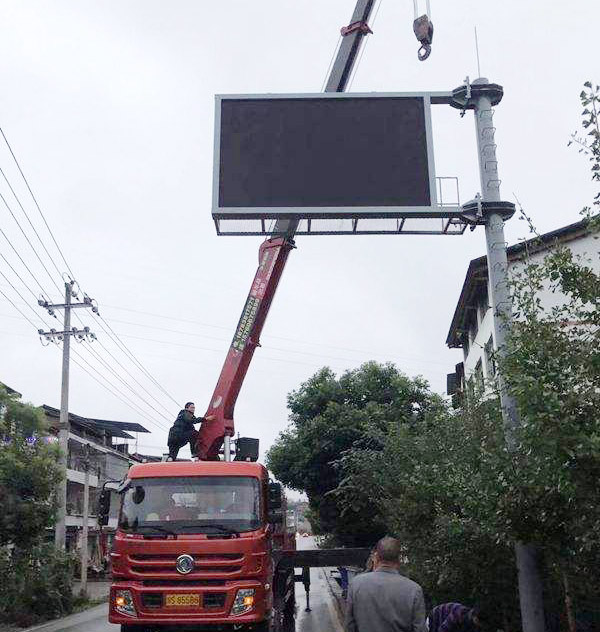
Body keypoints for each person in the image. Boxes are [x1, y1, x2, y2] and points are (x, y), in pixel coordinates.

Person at [345, 536, 427, 632]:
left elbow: (349, 626)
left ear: (376, 557)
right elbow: (419, 629)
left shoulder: (356, 584)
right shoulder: (414, 590)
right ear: (399, 559)